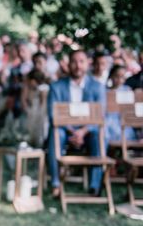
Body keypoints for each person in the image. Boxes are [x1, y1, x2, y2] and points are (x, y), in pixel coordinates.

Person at [47, 50, 106, 198]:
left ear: (87, 64)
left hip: (88, 131)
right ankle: (56, 184)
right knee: (55, 134)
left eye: (81, 61)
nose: (78, 66)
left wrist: (83, 131)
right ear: (68, 64)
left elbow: (100, 115)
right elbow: (52, 114)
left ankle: (94, 185)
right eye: (74, 61)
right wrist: (72, 131)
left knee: (99, 135)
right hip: (65, 130)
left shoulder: (97, 86)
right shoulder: (56, 87)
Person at [105, 65, 136, 143]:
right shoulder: (105, 91)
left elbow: (130, 109)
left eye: (122, 77)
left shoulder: (127, 90)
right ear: (111, 76)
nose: (119, 79)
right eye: (116, 76)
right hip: (110, 120)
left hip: (123, 120)